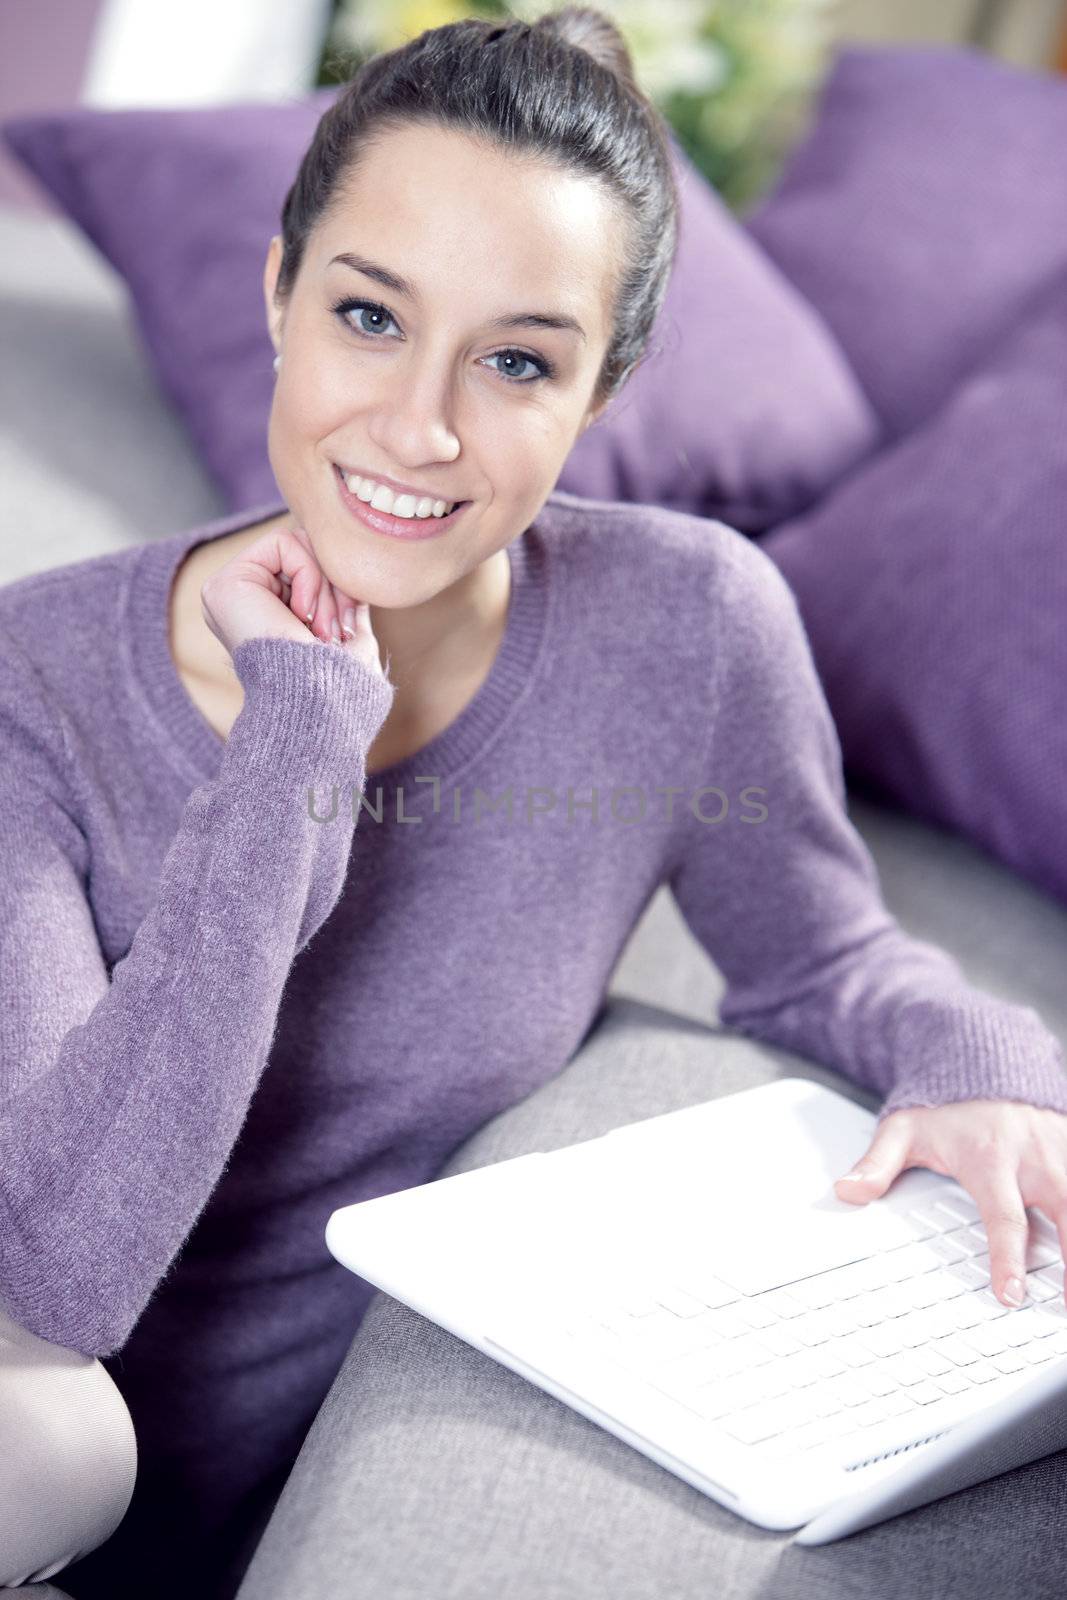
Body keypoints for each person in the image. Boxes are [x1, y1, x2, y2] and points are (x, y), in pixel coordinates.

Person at [2, 7, 1066, 1598]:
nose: (422, 427)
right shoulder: (36, 683)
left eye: (516, 360)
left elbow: (819, 951)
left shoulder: (688, 625)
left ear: (606, 385)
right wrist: (299, 738)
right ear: (279, 288)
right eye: (369, 314)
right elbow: (56, 1274)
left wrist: (991, 1068)